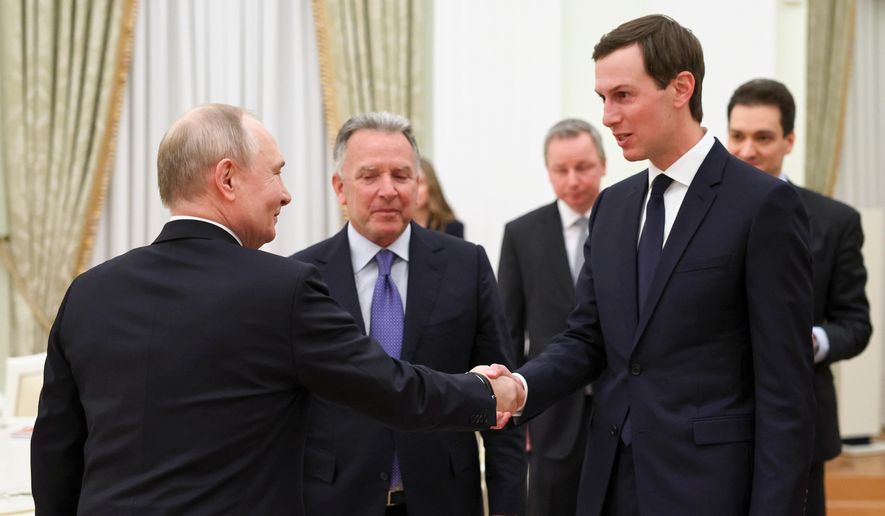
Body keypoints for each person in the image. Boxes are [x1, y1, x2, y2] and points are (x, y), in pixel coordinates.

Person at [30, 104, 522, 515]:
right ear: (227, 178)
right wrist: (486, 391)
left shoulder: (86, 293)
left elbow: (56, 453)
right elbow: (389, 387)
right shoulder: (282, 287)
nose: (286, 193)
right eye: (276, 173)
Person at [482, 14, 816, 515]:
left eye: (623, 96)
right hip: (611, 482)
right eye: (603, 99)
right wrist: (520, 386)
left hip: (711, 490)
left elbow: (785, 391)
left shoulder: (763, 205)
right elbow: (587, 337)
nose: (608, 117)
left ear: (681, 87)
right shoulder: (613, 207)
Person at [292, 112, 526, 516]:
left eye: (401, 175)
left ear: (419, 186)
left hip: (445, 499)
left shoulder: (465, 265)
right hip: (335, 500)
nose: (388, 190)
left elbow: (500, 400)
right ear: (340, 187)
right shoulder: (303, 278)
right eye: (369, 176)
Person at [727, 78, 872, 516]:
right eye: (737, 136)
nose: (748, 150)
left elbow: (855, 324)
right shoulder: (695, 214)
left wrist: (813, 341)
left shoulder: (835, 221)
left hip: (800, 426)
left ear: (789, 140)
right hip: (711, 426)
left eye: (763, 137)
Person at [498, 118, 606, 516]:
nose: (573, 180)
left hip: (619, 406)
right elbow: (507, 331)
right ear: (548, 172)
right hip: (551, 412)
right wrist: (515, 414)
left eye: (584, 167)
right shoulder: (522, 234)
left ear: (603, 164)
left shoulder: (630, 222)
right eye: (562, 170)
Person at [414, 157, 464, 238]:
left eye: (420, 183)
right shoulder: (398, 226)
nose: (414, 189)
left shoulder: (452, 227)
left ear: (432, 186)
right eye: (410, 183)